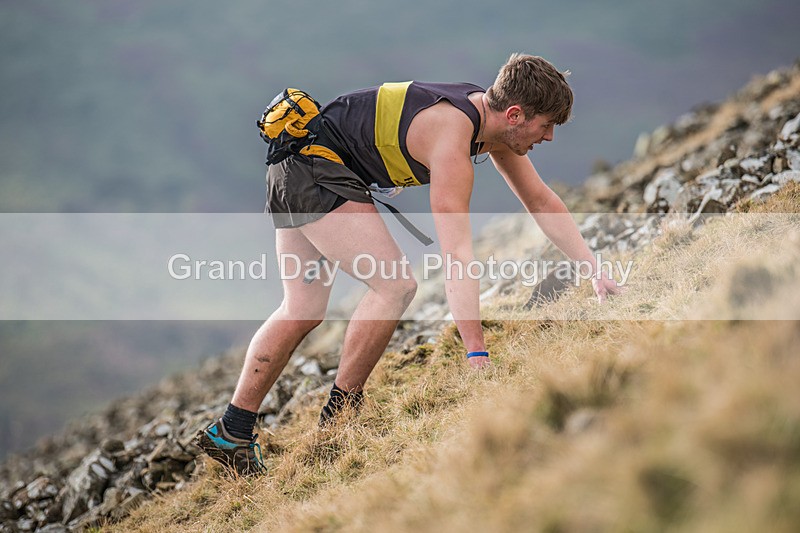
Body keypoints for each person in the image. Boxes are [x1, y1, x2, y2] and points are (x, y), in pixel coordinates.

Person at [197, 53, 623, 475]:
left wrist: (593, 268)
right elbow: (456, 255)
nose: (548, 138)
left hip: (293, 165)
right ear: (515, 114)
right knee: (394, 286)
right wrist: (476, 352)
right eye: (545, 125)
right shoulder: (452, 136)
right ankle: (339, 420)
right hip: (313, 168)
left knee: (302, 308)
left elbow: (541, 199)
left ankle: (233, 430)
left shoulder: (485, 119)